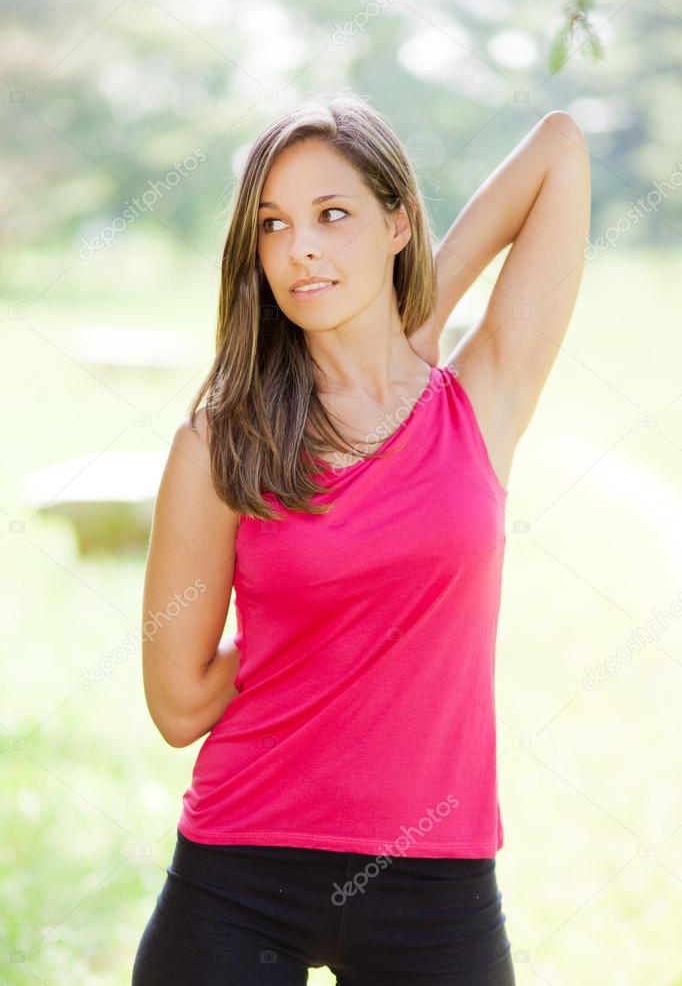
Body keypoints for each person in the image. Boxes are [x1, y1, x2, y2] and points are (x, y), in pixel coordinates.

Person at [132, 89, 590, 985]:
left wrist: (418, 310)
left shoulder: (478, 398)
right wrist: (302, 626)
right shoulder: (220, 442)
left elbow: (561, 150)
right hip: (241, 871)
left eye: (332, 214)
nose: (299, 246)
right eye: (272, 224)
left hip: (437, 885)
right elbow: (177, 705)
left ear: (397, 222)